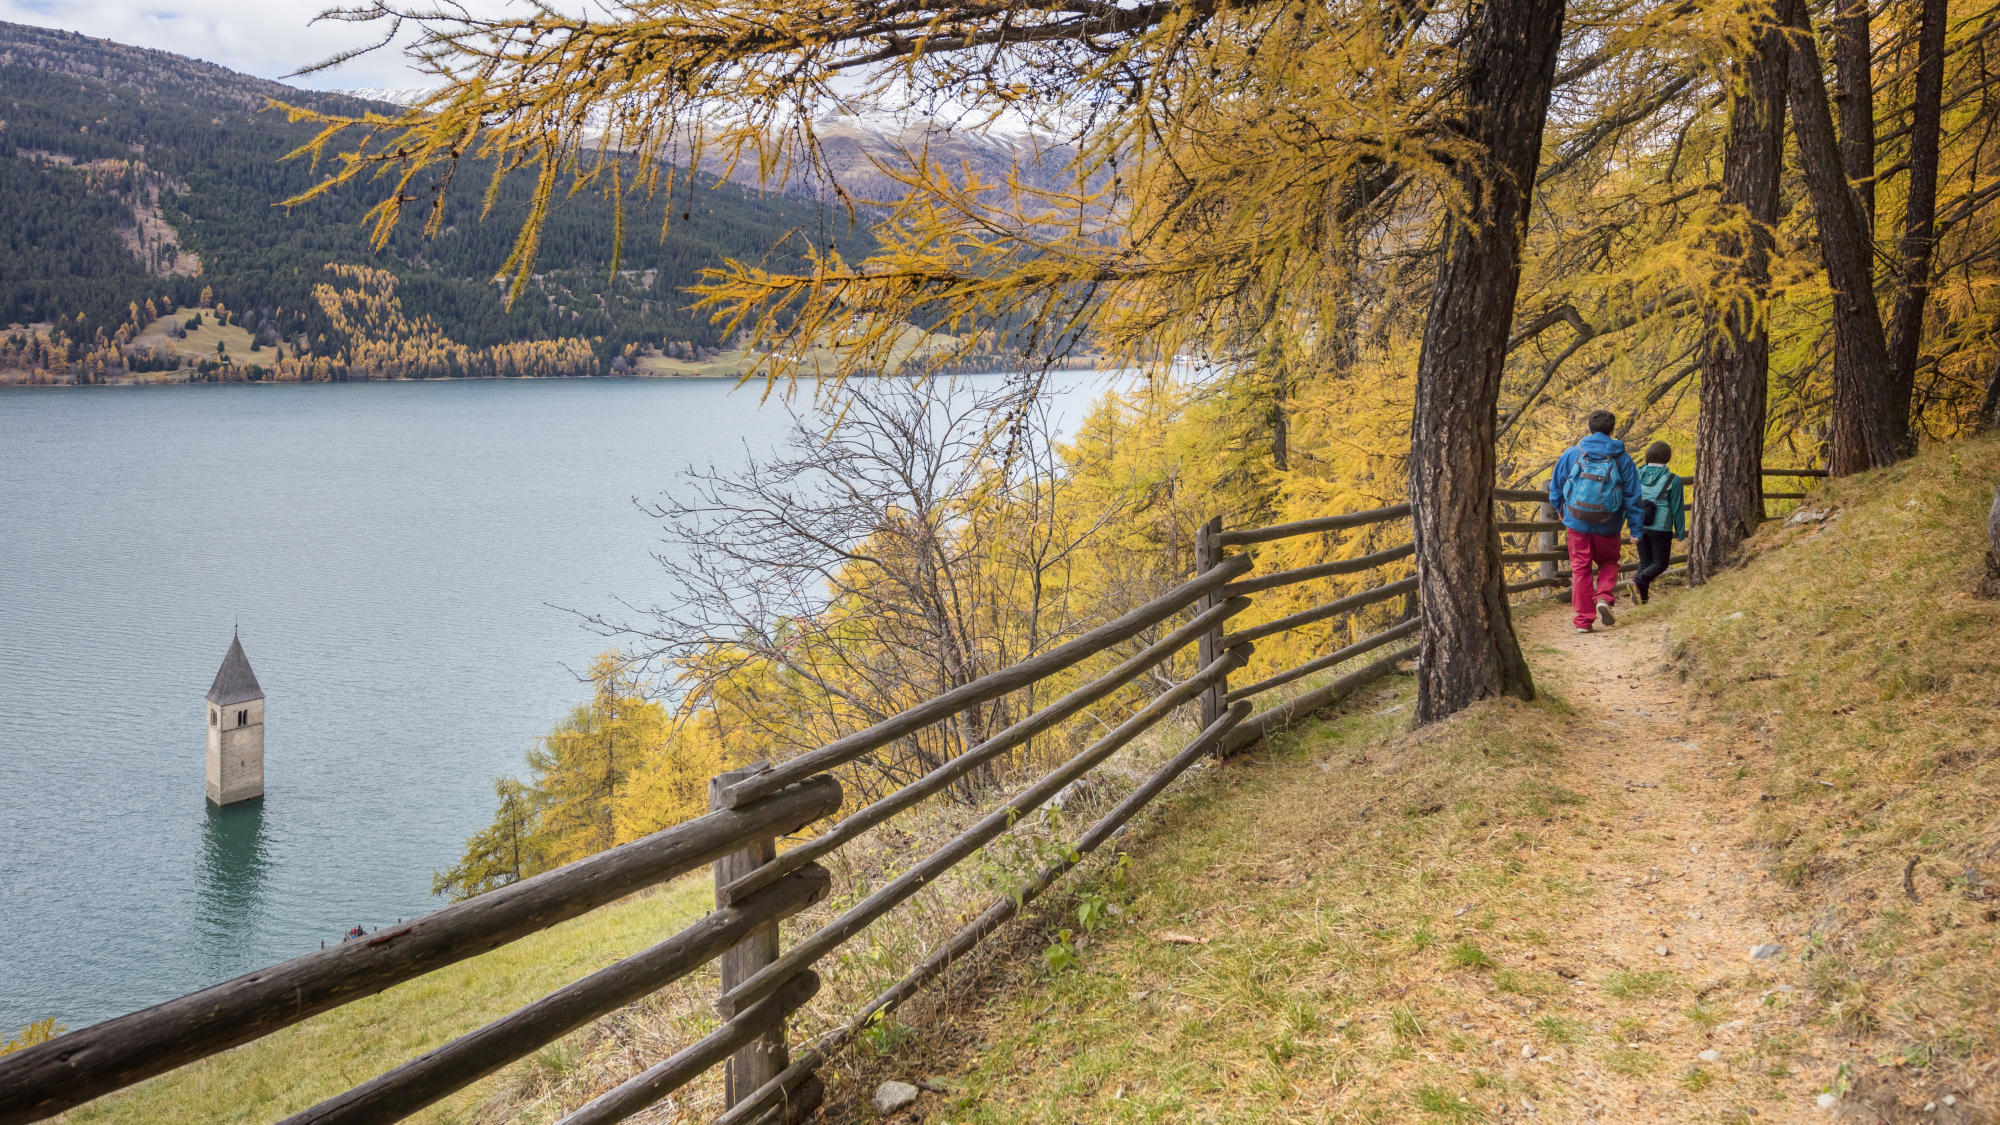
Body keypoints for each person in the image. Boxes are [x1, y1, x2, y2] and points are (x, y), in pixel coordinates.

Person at [1548, 410, 1645, 633]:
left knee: (1580, 569)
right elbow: (1633, 496)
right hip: (1609, 523)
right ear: (1612, 431)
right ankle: (1603, 597)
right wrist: (1636, 528)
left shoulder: (1572, 453)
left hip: (1577, 522)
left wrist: (1561, 510)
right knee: (1608, 561)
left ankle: (1584, 621)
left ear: (1588, 428)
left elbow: (1556, 488)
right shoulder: (1622, 458)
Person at [1633, 441, 1686, 604]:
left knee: (1645, 562)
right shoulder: (1672, 479)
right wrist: (1680, 531)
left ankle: (1642, 598)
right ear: (1666, 457)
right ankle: (1637, 582)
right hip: (1661, 526)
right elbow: (1677, 507)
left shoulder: (1636, 475)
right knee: (1660, 564)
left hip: (1640, 522)